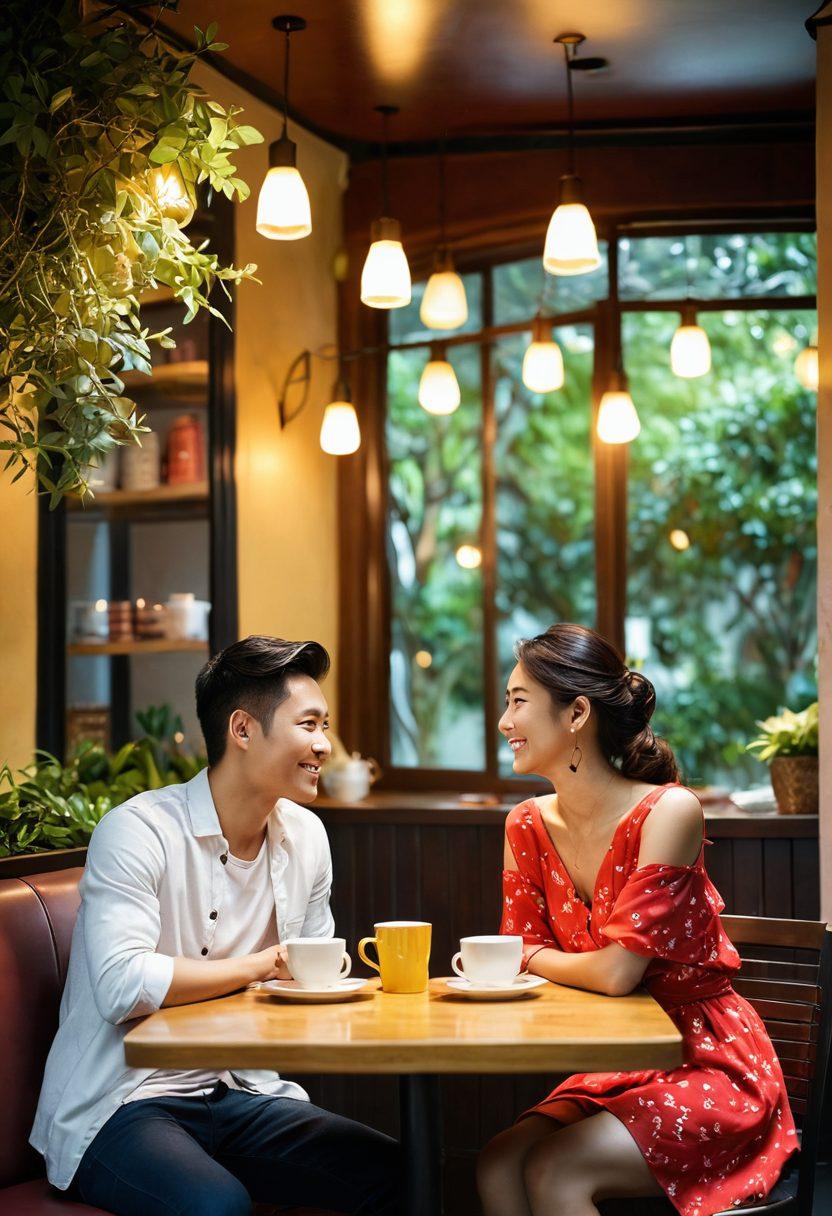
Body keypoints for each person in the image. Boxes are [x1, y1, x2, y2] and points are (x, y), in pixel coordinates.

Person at [32, 635, 399, 1216]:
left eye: (324, 725)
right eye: (308, 725)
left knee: (396, 1172)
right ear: (243, 730)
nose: (324, 745)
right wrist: (262, 965)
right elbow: (122, 985)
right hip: (124, 1100)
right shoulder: (139, 831)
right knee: (216, 1205)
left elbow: (313, 968)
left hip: (239, 1088)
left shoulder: (307, 837)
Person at [477, 623, 796, 1216]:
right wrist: (532, 956)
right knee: (498, 1161)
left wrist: (532, 957)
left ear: (576, 714)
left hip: (704, 1058)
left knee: (555, 1166)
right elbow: (517, 948)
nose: (504, 721)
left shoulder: (669, 810)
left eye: (517, 701)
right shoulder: (524, 823)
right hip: (619, 1059)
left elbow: (617, 972)